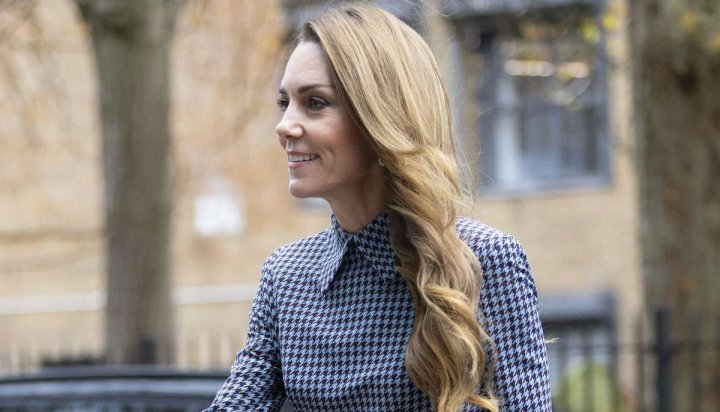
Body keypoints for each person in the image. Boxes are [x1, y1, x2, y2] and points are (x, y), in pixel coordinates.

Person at [206, 4, 551, 412]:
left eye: (315, 102)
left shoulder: (485, 261)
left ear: (380, 117)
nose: (284, 126)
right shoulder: (285, 277)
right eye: (285, 103)